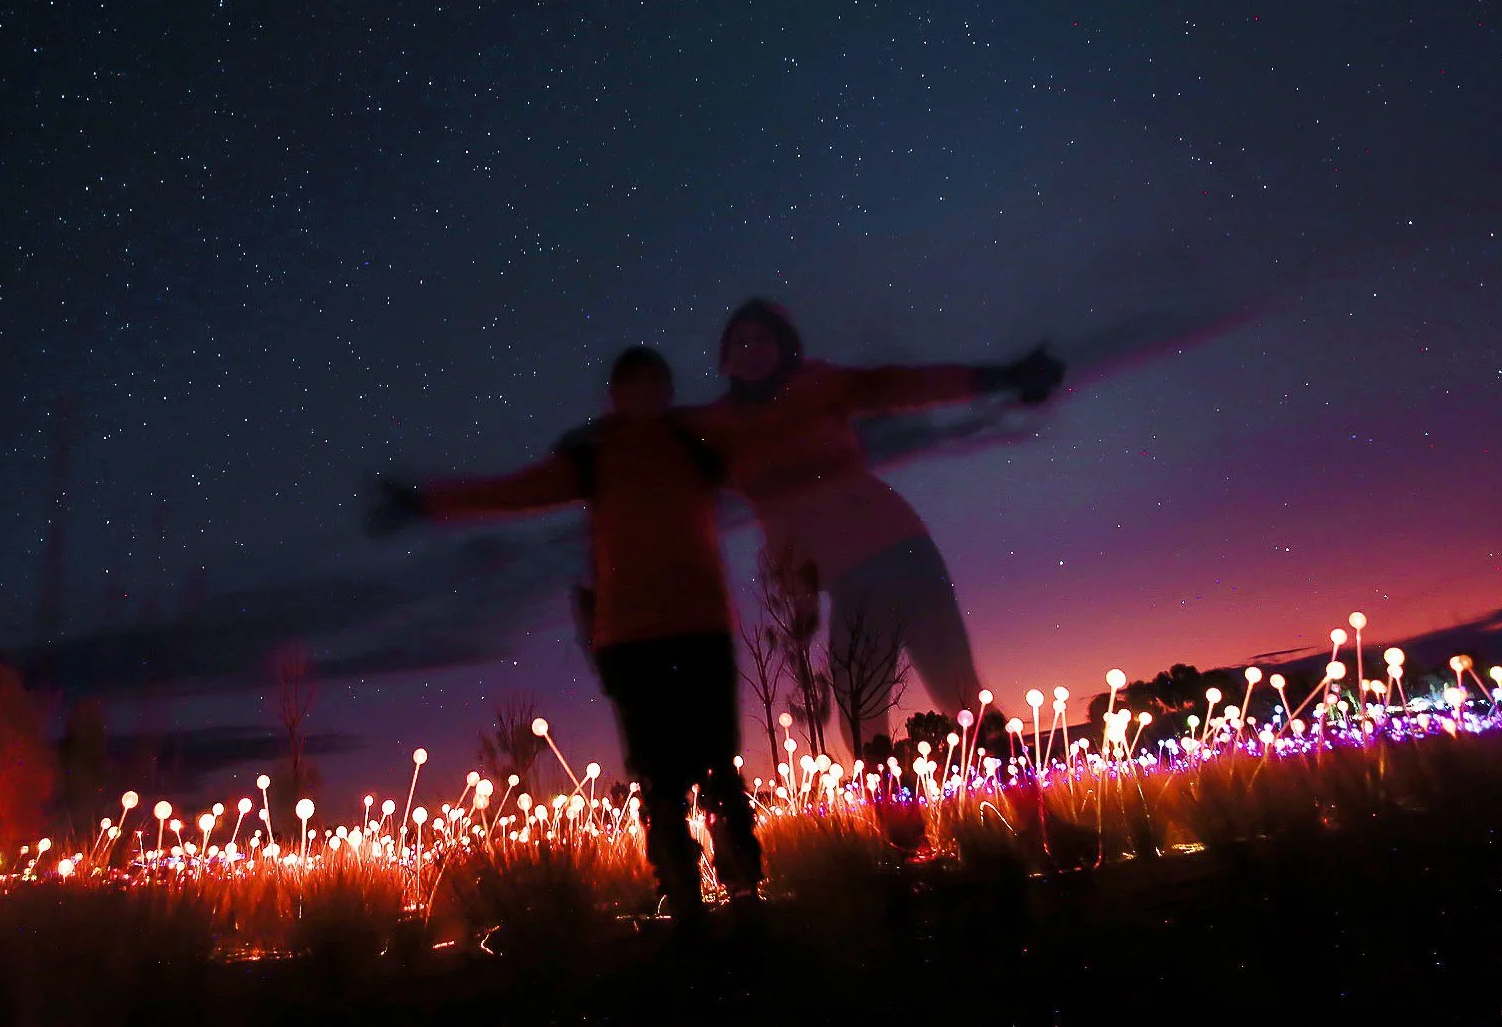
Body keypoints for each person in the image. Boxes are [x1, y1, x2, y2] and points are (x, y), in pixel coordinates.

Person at [369, 346, 761, 932]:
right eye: (636, 385)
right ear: (618, 394)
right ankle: (684, 900)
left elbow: (769, 453)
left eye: (657, 384)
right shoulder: (596, 457)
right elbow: (515, 490)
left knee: (719, 765)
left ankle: (745, 890)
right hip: (632, 636)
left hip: (702, 626)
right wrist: (430, 502)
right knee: (659, 775)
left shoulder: (697, 448)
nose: (648, 396)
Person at [682, 299, 1063, 757]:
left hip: (903, 549)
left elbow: (899, 385)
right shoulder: (721, 428)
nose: (753, 349)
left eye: (764, 338)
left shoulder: (817, 386)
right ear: (725, 358)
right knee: (862, 708)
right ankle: (898, 829)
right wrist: (799, 599)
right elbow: (778, 522)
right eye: (741, 341)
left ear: (785, 348)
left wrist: (999, 377)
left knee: (959, 693)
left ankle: (1036, 818)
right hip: (852, 579)